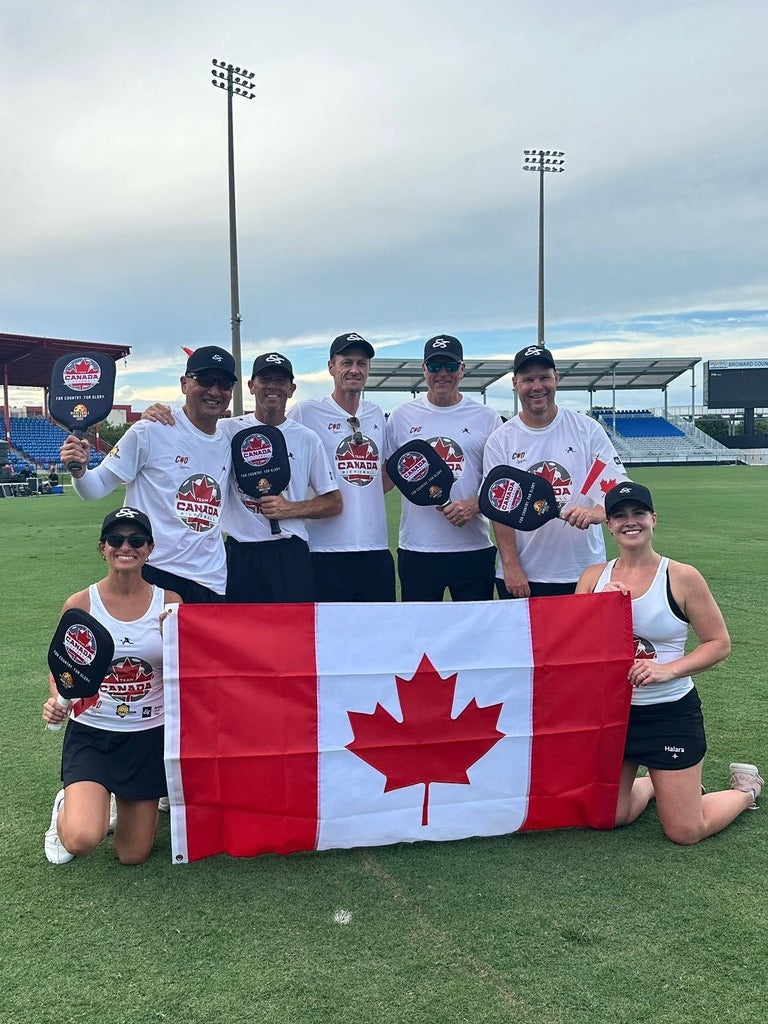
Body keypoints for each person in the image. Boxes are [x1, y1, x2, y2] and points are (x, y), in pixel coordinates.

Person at [576, 481, 762, 845]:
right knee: (610, 817)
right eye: (620, 516)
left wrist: (668, 670)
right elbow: (575, 650)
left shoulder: (681, 576)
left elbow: (719, 643)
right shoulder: (593, 578)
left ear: (653, 519)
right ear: (609, 525)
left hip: (668, 713)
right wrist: (599, 611)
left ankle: (746, 789)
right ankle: (655, 782)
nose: (631, 522)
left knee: (685, 831)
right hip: (613, 716)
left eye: (638, 514)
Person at [42, 507, 182, 865]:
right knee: (82, 838)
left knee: (132, 855)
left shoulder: (171, 603)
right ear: (102, 547)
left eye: (136, 540)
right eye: (116, 539)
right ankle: (65, 809)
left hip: (147, 735)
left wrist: (177, 640)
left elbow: (188, 673)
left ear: (149, 549)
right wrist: (58, 699)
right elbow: (64, 664)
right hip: (93, 734)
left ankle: (109, 802)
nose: (126, 547)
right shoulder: (82, 604)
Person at [142, 352, 342, 602]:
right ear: (250, 386)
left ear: (291, 389)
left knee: (291, 634)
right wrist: (155, 413)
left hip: (290, 554)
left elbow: (334, 502)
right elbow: (189, 428)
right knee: (239, 634)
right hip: (239, 553)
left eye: (280, 381)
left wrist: (290, 509)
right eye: (265, 379)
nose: (272, 386)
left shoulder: (307, 438)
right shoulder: (226, 430)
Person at [60, 346, 236, 603]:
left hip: (211, 580)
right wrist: (79, 469)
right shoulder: (151, 430)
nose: (214, 391)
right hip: (155, 574)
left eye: (224, 384)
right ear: (184, 384)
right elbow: (95, 488)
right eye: (205, 380)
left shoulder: (230, 438)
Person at [483, 344, 627, 598]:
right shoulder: (501, 439)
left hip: (584, 571)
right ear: (515, 384)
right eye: (528, 379)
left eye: (544, 378)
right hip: (526, 575)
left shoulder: (587, 430)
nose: (537, 386)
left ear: (556, 378)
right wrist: (511, 566)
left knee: (584, 640)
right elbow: (500, 510)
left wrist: (596, 513)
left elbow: (615, 490)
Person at [385, 335, 502, 601]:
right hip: (418, 549)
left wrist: (474, 505)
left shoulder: (486, 417)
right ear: (423, 369)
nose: (442, 373)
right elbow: (388, 476)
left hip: (474, 548)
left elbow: (497, 481)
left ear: (463, 369)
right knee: (421, 637)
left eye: (450, 366)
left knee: (475, 634)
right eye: (435, 366)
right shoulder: (401, 417)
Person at [287, 332, 396, 601]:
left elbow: (388, 471)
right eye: (346, 362)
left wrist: (361, 495)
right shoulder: (305, 412)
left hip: (375, 548)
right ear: (331, 367)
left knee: (378, 634)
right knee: (330, 638)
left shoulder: (376, 414)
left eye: (361, 363)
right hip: (324, 551)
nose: (354, 370)